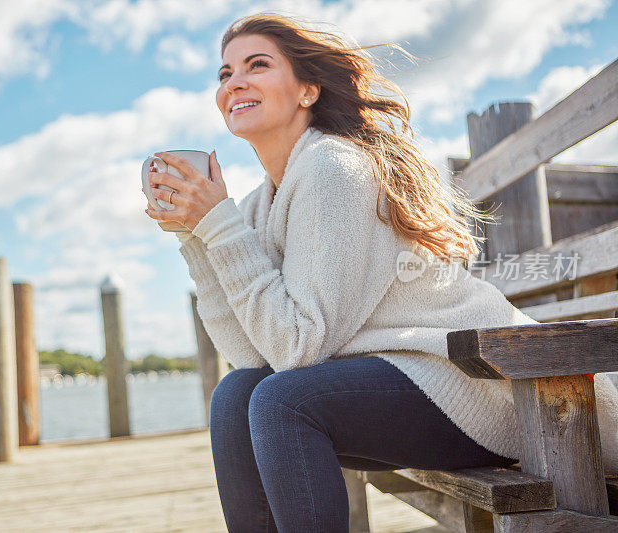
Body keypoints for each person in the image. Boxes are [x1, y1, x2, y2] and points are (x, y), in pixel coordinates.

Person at [143, 12, 618, 532]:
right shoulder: (260, 204)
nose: (234, 82)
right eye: (225, 73)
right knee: (237, 394)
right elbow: (254, 354)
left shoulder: (334, 168)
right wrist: (197, 237)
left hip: (487, 388)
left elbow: (298, 349)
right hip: (404, 381)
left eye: (257, 65)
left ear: (307, 90)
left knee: (284, 402)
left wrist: (219, 227)